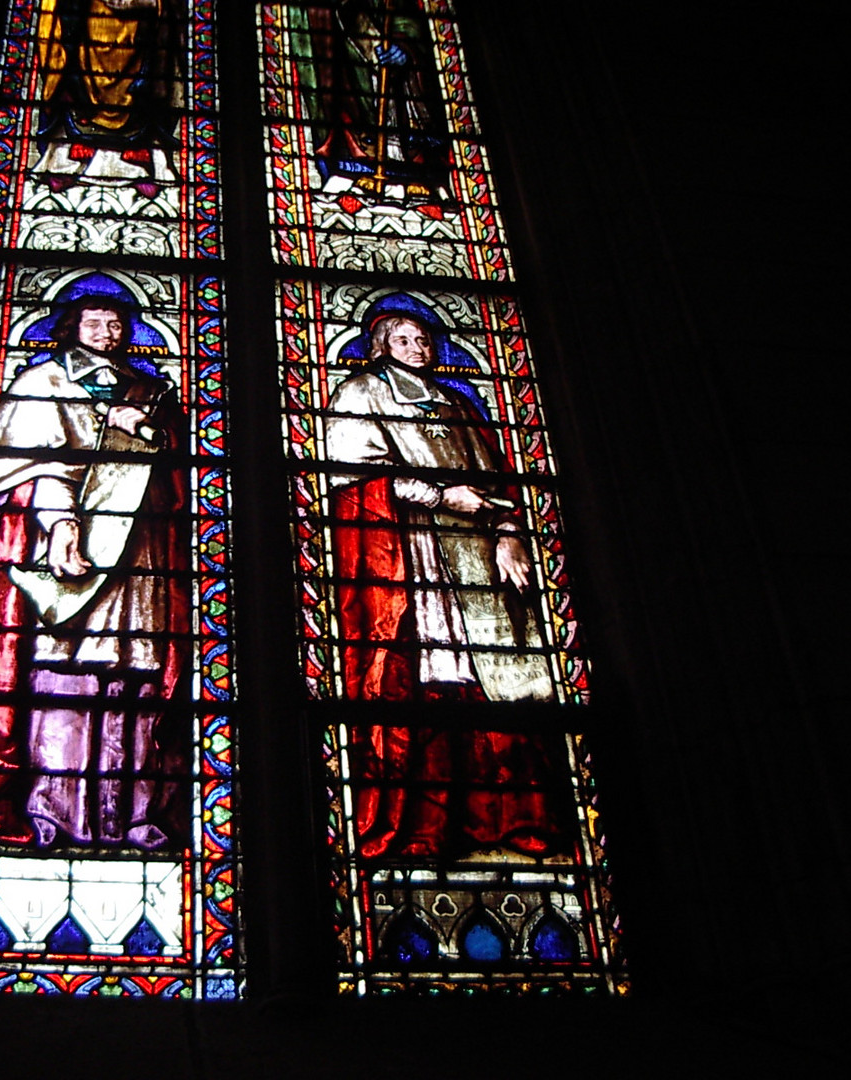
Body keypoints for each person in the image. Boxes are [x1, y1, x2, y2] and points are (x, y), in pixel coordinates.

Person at [0, 283, 189, 850]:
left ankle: (133, 816)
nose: (107, 334)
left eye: (115, 324)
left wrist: (150, 431)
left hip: (138, 557)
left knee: (133, 677)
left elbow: (177, 476)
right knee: (64, 673)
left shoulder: (148, 391)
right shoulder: (41, 384)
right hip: (62, 548)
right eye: (94, 323)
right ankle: (53, 814)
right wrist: (61, 524)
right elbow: (27, 467)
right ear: (70, 327)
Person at [324, 305, 565, 858]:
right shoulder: (362, 393)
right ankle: (422, 828)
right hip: (415, 553)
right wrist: (439, 497)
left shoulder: (457, 405)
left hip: (476, 558)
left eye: (424, 339)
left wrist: (509, 531)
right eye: (403, 339)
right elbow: (353, 472)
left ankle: (498, 822)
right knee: (428, 670)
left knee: (495, 677)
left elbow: (502, 482)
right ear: (381, 347)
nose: (418, 347)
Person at [289, 0, 451, 205]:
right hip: (345, 76)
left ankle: (410, 173)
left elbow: (410, 22)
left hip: (395, 94)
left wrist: (406, 50)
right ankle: (348, 166)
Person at [31, 0, 183, 197]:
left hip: (137, 20)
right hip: (88, 17)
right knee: (74, 55)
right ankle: (70, 159)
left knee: (141, 74)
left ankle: (137, 160)